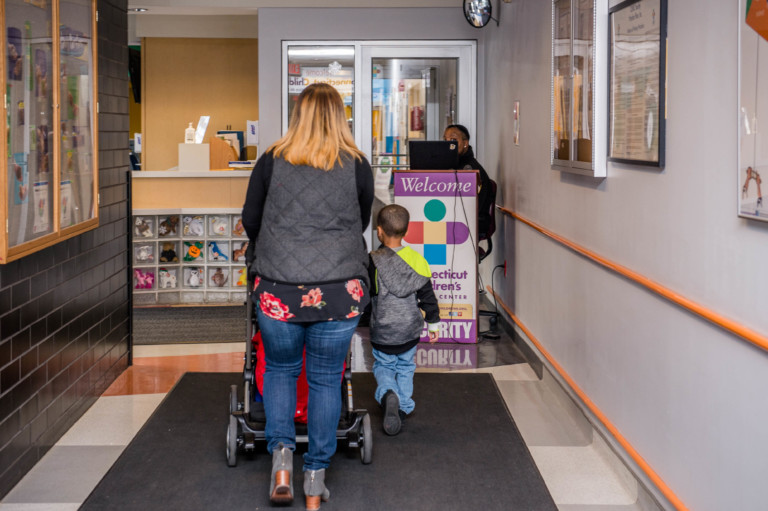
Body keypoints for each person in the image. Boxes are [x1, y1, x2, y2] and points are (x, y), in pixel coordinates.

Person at [242, 83, 374, 510]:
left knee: (280, 370)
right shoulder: (356, 165)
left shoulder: (271, 161)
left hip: (278, 289)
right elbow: (362, 219)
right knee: (324, 378)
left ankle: (282, 460)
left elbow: (251, 220)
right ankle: (315, 478)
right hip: (338, 291)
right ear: (340, 117)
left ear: (297, 115)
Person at [368, 204, 440, 436]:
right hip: (409, 330)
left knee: (384, 365)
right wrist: (434, 323)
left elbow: (368, 296)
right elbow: (428, 297)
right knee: (406, 366)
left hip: (383, 329)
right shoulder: (418, 260)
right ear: (406, 232)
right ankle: (403, 406)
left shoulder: (373, 261)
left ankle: (389, 393)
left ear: (379, 231)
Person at [443, 124, 494, 238]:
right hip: (456, 220)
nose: (448, 144)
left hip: (473, 223)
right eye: (445, 139)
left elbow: (470, 206)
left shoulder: (470, 169)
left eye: (453, 139)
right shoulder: (451, 165)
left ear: (465, 143)